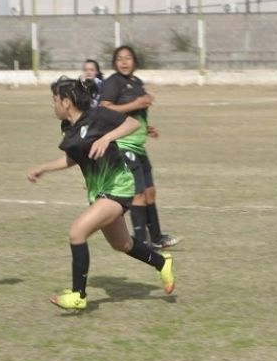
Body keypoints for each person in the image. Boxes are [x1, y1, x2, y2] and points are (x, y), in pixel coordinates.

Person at [27, 76, 175, 310]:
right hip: (100, 190)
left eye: (54, 99)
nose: (52, 105)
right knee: (122, 243)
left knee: (77, 232)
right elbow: (72, 158)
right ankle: (161, 262)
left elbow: (133, 124)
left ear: (66, 102)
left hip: (119, 185)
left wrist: (107, 138)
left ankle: (79, 295)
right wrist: (42, 169)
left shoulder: (96, 115)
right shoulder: (68, 127)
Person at [100, 46, 179, 249]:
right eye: (119, 58)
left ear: (135, 61)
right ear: (115, 62)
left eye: (128, 58)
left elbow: (136, 113)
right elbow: (105, 109)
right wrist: (135, 104)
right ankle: (141, 242)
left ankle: (156, 237)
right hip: (123, 145)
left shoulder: (136, 83)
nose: (124, 62)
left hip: (138, 145)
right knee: (138, 195)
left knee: (150, 192)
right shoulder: (113, 82)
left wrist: (146, 128)